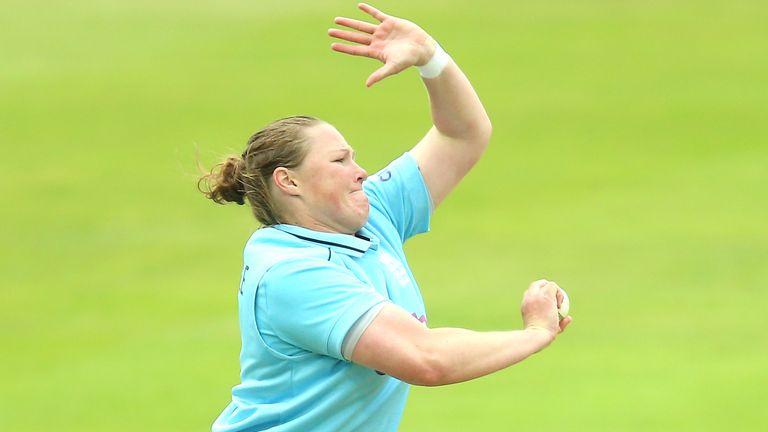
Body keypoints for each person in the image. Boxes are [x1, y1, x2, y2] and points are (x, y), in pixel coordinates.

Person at [200, 3, 572, 431]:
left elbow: (462, 135)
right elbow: (426, 359)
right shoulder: (293, 275)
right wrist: (534, 334)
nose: (359, 171)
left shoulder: (367, 215)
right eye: (339, 160)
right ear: (289, 181)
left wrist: (431, 59)